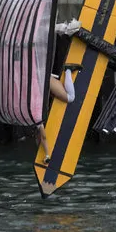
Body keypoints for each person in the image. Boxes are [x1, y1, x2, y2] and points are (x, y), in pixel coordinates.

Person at [36, 18, 82, 164]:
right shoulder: (34, 113)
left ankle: (68, 70)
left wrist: (48, 155)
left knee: (70, 98)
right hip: (43, 80)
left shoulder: (36, 118)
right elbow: (41, 137)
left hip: (45, 80)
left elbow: (43, 137)